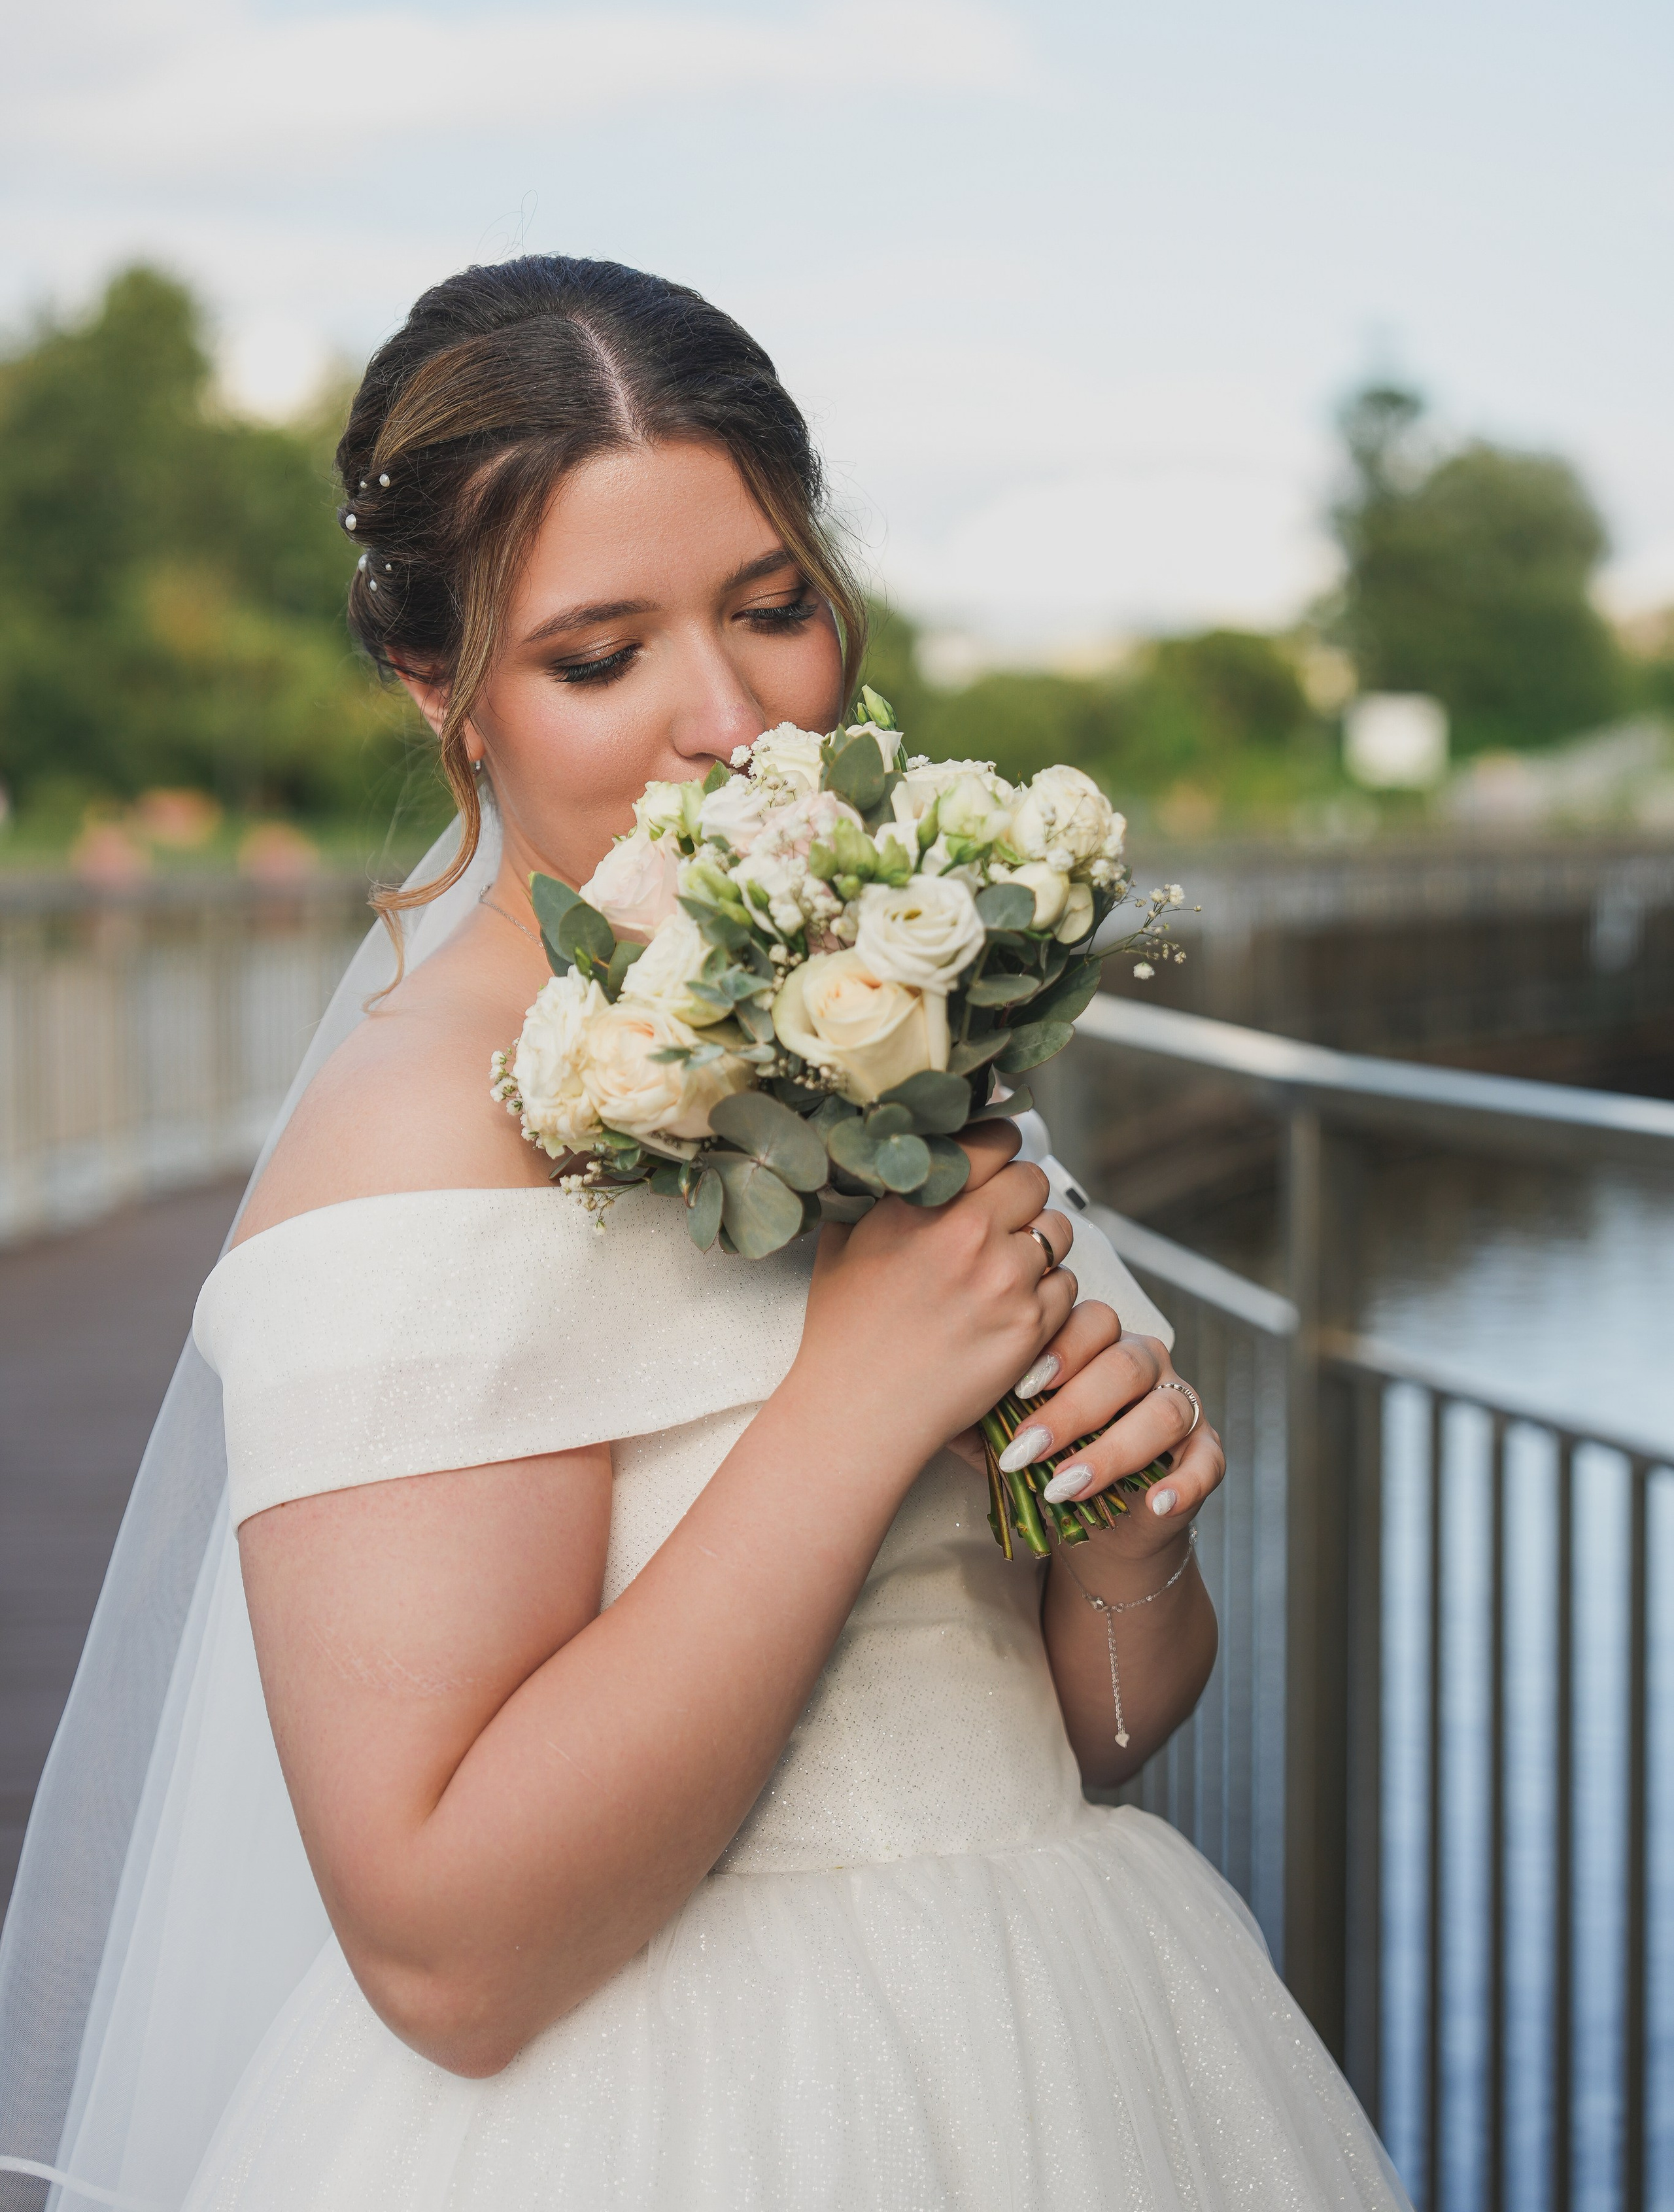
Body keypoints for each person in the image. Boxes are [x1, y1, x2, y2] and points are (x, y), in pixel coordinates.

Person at [0, 257, 1409, 2210]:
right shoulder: (419, 1140)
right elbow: (447, 1954)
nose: (735, 721)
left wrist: (1129, 1541)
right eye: (600, 654)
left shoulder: (881, 1015)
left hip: (1066, 2050)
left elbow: (1090, 1733)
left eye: (773, 611)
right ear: (441, 687)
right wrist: (854, 1407)